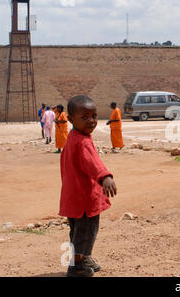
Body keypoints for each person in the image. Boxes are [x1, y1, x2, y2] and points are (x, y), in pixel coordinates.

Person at [59, 95, 117, 277]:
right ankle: (76, 268)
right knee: (85, 234)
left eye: (94, 116)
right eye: (84, 117)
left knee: (78, 232)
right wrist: (105, 177)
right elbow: (92, 163)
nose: (91, 121)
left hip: (74, 197)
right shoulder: (82, 142)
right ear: (71, 119)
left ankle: (84, 259)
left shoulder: (75, 136)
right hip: (84, 199)